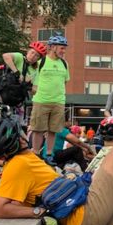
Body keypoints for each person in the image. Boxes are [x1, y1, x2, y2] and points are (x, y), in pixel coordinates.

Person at [29, 35, 70, 164]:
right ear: (52, 47)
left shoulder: (64, 63)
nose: (64, 51)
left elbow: (65, 81)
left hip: (58, 102)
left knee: (53, 130)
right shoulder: (41, 62)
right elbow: (33, 80)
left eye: (64, 48)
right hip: (41, 100)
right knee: (38, 129)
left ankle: (49, 155)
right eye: (62, 48)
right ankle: (35, 153)